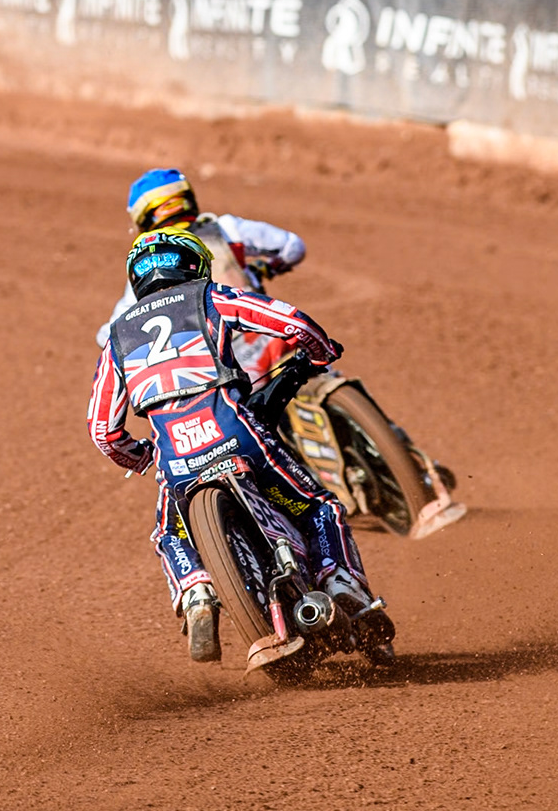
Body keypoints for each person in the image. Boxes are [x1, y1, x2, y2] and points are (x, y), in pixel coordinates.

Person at [88, 228, 393, 663]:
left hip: (176, 456)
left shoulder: (117, 338)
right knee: (318, 505)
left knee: (170, 534)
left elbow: (103, 431)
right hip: (236, 431)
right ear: (194, 264)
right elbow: (293, 323)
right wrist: (321, 353)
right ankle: (340, 582)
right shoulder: (208, 296)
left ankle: (195, 591)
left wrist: (144, 458)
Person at [95, 168, 305, 378]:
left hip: (227, 358)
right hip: (270, 327)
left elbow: (108, 334)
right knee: (319, 365)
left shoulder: (151, 267)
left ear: (145, 217)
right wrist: (262, 270)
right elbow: (292, 247)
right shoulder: (226, 228)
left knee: (242, 409)